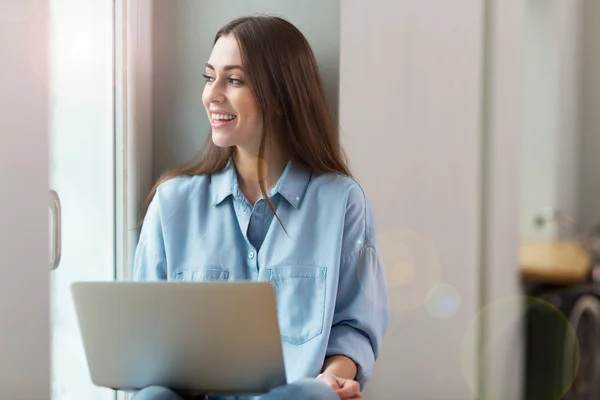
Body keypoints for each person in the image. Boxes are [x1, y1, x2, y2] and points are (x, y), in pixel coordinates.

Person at [131, 15, 390, 400]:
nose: (212, 94)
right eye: (209, 77)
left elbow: (353, 327)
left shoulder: (341, 201)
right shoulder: (172, 203)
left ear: (282, 96)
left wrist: (331, 380)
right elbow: (144, 334)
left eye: (234, 80)